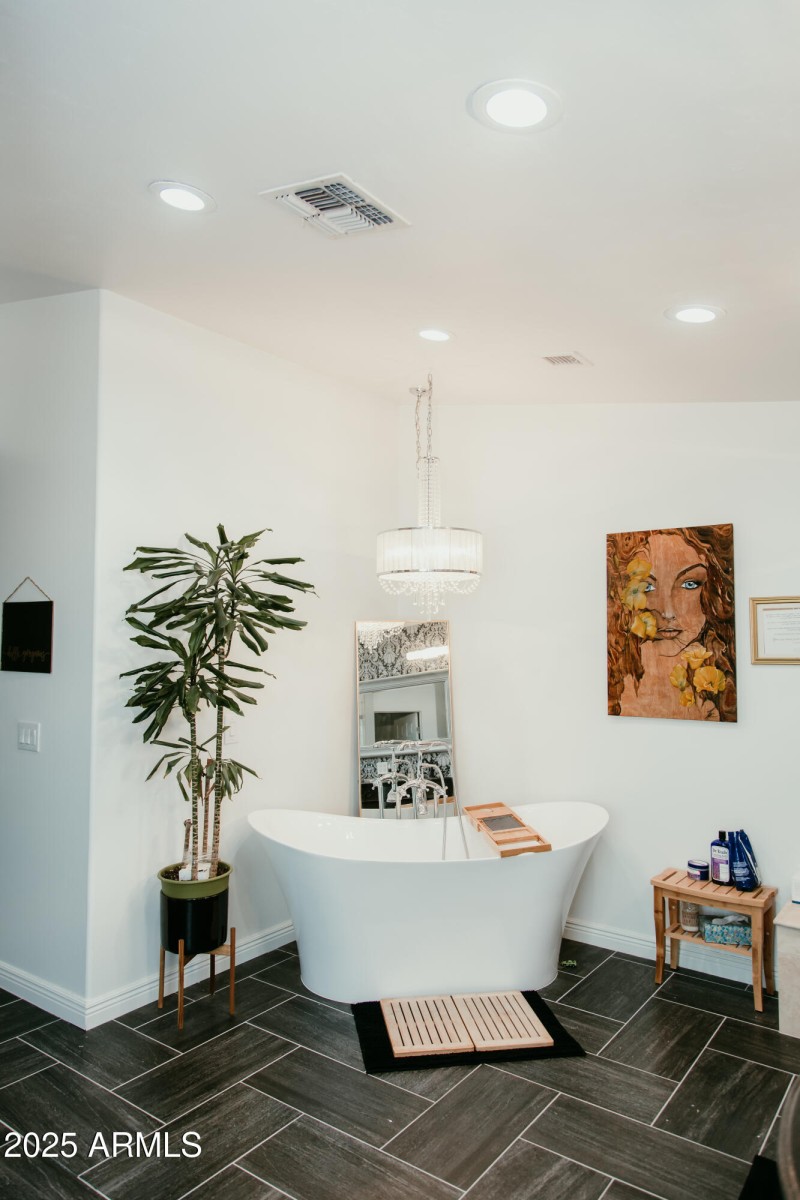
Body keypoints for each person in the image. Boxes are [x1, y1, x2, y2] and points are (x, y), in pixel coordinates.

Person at [607, 525, 736, 721]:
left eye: (689, 584)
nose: (667, 612)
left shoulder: (718, 685)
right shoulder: (621, 685)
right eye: (647, 586)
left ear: (713, 592)